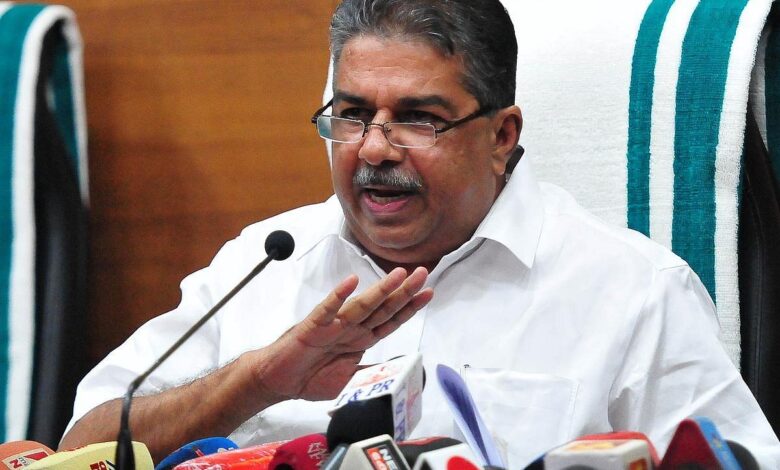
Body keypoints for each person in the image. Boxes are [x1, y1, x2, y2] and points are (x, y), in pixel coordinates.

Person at [62, 0, 780, 467]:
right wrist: (257, 381)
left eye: (418, 118)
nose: (374, 148)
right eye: (352, 114)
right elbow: (77, 449)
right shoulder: (264, 262)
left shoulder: (632, 291)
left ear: (502, 136)